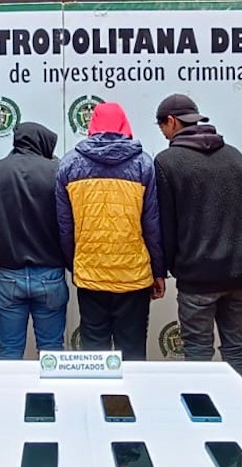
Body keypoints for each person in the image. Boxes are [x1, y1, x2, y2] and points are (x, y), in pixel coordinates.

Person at [153, 94, 242, 380]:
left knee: (198, 352)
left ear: (172, 121)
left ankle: (205, 421)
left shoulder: (167, 161)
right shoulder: (235, 155)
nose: (162, 133)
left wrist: (169, 267)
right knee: (237, 350)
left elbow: (166, 225)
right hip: (240, 273)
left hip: (197, 275)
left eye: (161, 126)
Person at [57, 102, 166, 359]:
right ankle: (133, 399)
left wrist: (77, 264)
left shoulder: (69, 165)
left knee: (95, 355)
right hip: (134, 275)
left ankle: (97, 399)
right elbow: (152, 225)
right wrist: (158, 271)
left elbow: (65, 226)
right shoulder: (143, 164)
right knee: (133, 351)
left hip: (90, 273)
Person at [0, 122, 69, 359]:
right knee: (52, 354)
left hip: (7, 275)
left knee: (9, 352)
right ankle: (53, 397)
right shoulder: (58, 171)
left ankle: (8, 398)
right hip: (50, 275)